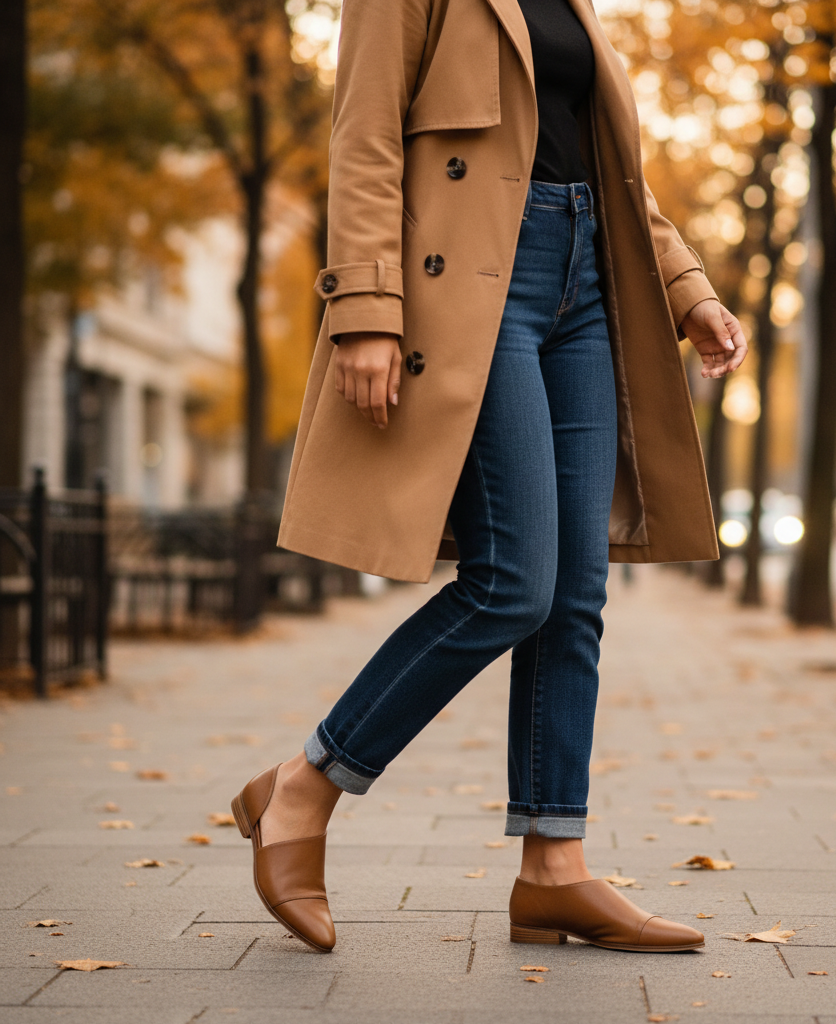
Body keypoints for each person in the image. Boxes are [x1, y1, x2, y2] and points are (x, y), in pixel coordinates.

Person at [232, 0, 747, 954]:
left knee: (576, 591)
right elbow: (367, 134)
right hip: (475, 282)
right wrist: (368, 306)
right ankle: (305, 785)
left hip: (587, 279)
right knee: (514, 581)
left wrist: (689, 289)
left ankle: (554, 864)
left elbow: (610, 169)